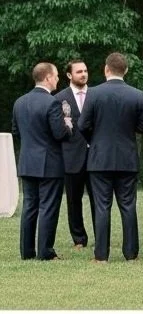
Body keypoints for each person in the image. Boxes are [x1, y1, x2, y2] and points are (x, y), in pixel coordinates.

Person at [78, 52, 143, 263]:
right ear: (125, 70)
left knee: (102, 206)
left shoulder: (94, 93)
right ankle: (131, 253)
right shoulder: (137, 94)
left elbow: (82, 125)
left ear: (106, 69)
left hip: (100, 158)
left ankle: (101, 255)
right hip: (127, 158)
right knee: (128, 206)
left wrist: (94, 140)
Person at [11, 62, 72, 260]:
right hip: (49, 163)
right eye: (55, 76)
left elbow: (16, 131)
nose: (57, 80)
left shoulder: (19, 102)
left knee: (30, 207)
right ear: (47, 78)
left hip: (27, 161)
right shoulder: (52, 102)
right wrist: (68, 125)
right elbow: (59, 134)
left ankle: (27, 251)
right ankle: (45, 252)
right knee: (48, 207)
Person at [53, 59, 95, 249]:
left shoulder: (97, 94)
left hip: (96, 154)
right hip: (71, 155)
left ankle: (100, 234)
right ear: (69, 75)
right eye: (79, 72)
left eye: (85, 71)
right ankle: (79, 239)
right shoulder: (59, 98)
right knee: (73, 199)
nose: (83, 74)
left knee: (98, 199)